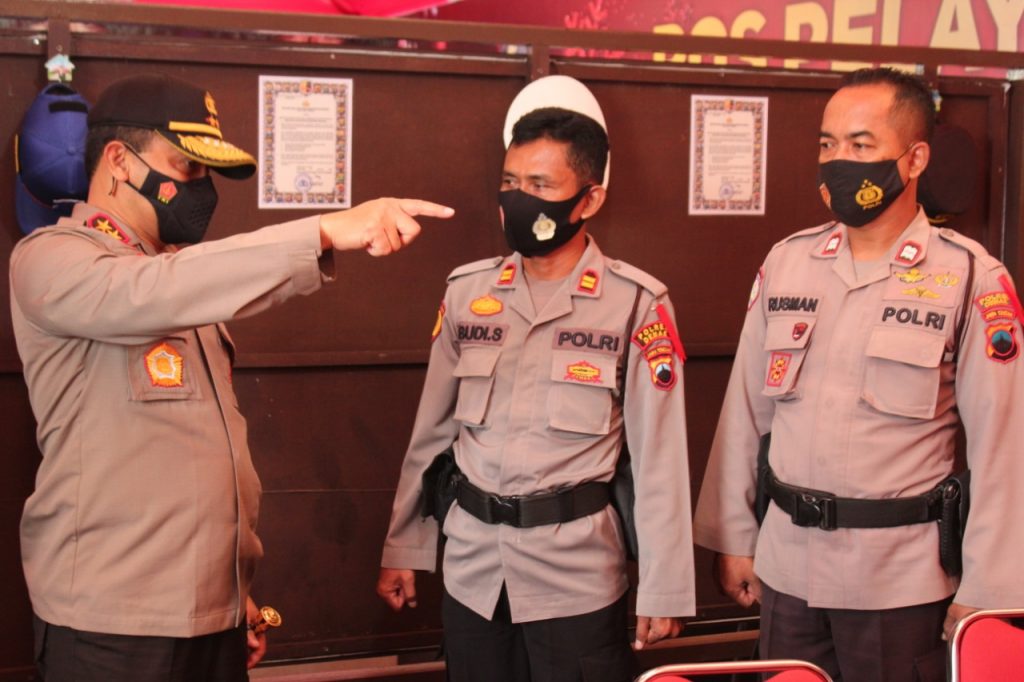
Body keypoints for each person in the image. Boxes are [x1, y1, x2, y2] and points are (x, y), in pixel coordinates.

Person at [9, 73, 453, 682]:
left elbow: (194, 451)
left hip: (209, 615)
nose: (202, 188)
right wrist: (324, 230)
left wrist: (230, 591)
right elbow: (150, 292)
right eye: (187, 167)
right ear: (119, 160)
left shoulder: (180, 274)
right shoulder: (53, 260)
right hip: (112, 627)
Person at [693, 67, 1024, 682]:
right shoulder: (787, 263)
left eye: (861, 144)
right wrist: (734, 536)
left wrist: (990, 586)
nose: (839, 160)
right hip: (787, 570)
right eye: (828, 144)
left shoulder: (971, 279)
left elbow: (1005, 447)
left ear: (914, 158)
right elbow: (744, 416)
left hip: (898, 583)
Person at [376, 76, 694, 682]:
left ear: (589, 199)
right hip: (473, 572)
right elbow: (431, 434)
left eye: (541, 186)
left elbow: (660, 461)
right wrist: (403, 547)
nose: (519, 200)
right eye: (510, 183)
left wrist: (665, 587)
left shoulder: (636, 304)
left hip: (575, 580)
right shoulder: (467, 293)